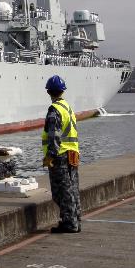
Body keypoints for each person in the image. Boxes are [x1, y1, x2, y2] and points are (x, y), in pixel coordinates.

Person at [42, 75, 81, 233]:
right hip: (73, 153)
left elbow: (54, 135)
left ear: (48, 92)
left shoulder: (54, 110)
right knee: (73, 189)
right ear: (62, 91)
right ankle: (76, 220)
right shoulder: (67, 107)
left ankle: (69, 223)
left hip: (60, 156)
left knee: (62, 192)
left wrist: (50, 155)